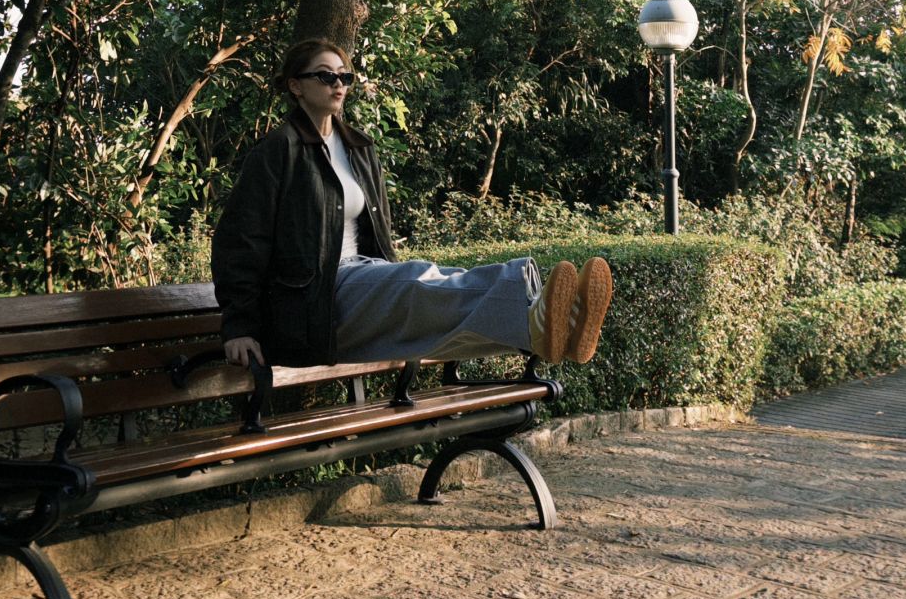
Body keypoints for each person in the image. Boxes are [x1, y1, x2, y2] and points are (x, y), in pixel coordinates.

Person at [212, 38, 612, 373]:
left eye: (344, 76)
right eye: (325, 75)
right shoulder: (279, 151)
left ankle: (554, 321)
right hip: (316, 297)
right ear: (296, 86)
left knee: (443, 279)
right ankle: (537, 319)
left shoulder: (358, 148)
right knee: (422, 280)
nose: (338, 83)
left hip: (362, 278)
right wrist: (239, 327)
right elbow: (241, 242)